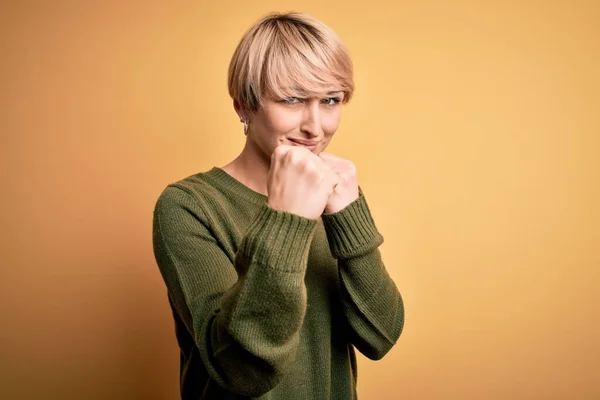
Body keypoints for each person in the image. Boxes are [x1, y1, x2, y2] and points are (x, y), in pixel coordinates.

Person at [152, 11, 404, 399]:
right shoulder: (189, 206)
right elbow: (241, 371)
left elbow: (380, 336)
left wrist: (349, 217)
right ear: (244, 106)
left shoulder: (334, 195)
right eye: (292, 100)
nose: (315, 127)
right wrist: (288, 217)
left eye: (331, 100)